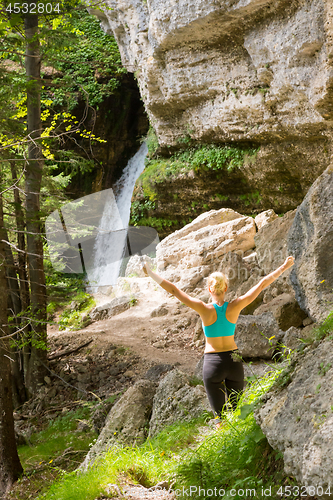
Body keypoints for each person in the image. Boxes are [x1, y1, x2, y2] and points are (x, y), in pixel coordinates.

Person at [142, 255, 294, 425]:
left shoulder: (203, 309)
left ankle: (221, 435)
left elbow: (174, 290)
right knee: (237, 414)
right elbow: (262, 284)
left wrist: (150, 273)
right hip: (233, 362)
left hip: (212, 363)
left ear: (209, 289)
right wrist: (283, 267)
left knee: (219, 419)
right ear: (226, 288)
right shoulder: (236, 305)